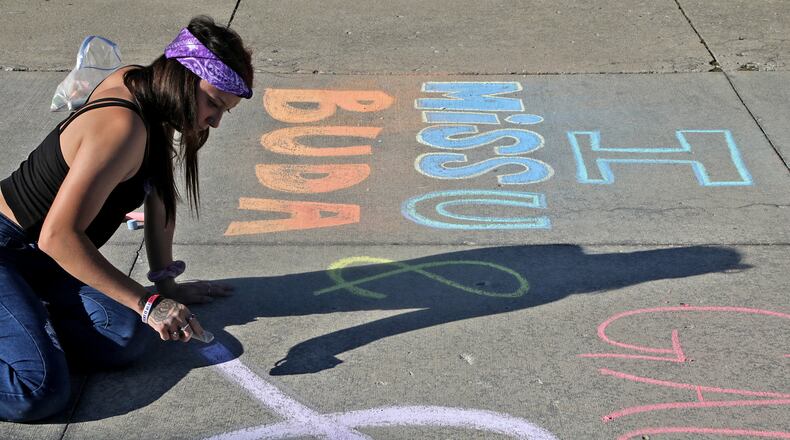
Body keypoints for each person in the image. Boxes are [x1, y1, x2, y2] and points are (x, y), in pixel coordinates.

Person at [0, 16, 253, 422]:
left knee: (126, 336)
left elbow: (157, 197)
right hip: (10, 249)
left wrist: (166, 285)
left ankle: (23, 321)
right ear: (183, 78)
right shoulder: (122, 125)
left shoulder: (145, 87)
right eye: (214, 104)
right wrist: (148, 301)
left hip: (38, 266)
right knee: (39, 391)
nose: (216, 121)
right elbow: (58, 237)